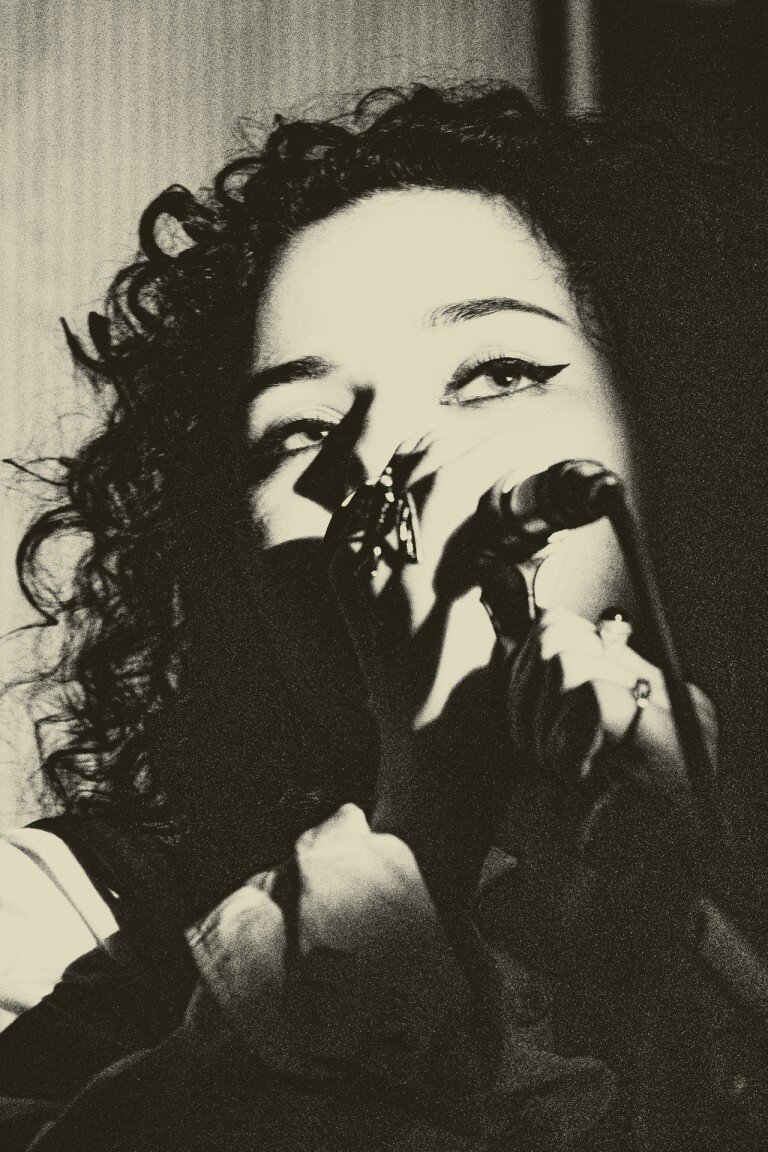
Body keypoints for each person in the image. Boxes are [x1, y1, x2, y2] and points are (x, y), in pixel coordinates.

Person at [0, 83, 763, 1151]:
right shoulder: (63, 921)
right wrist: (424, 809)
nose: (395, 456)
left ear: (666, 441)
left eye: (497, 373)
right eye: (301, 434)